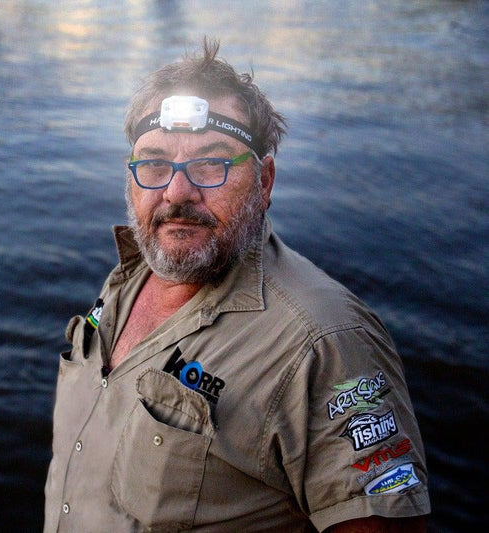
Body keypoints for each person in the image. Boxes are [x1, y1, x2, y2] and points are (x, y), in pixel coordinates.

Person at [44, 39, 431, 532]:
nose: (177, 192)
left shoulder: (326, 343)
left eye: (211, 164)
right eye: (154, 164)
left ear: (264, 182)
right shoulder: (131, 275)